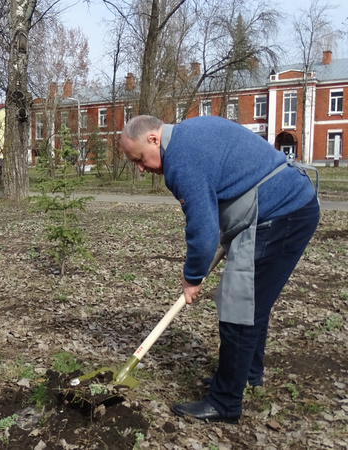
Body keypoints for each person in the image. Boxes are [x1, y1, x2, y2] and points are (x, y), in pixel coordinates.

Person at [120, 114, 319, 423]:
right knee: (253, 299)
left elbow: (202, 227)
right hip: (288, 205)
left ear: (153, 140)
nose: (141, 168)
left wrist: (192, 277)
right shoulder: (190, 132)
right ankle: (249, 375)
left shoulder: (180, 162)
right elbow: (226, 185)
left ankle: (225, 402)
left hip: (281, 214)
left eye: (140, 159)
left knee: (238, 301)